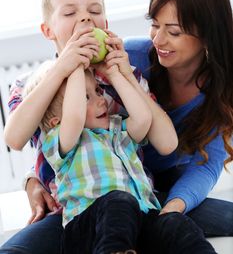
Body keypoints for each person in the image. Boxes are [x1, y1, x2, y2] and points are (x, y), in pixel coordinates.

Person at [0, 0, 229, 253]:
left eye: (94, 11)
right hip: (80, 208)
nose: (85, 18)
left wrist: (122, 75)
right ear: (48, 30)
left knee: (192, 224)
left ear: (105, 23)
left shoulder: (120, 73)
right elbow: (22, 136)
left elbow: (166, 142)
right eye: (70, 12)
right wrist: (32, 178)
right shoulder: (34, 85)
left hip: (144, 194)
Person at [8, 46, 216, 254]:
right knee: (119, 199)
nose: (100, 100)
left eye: (97, 91)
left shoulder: (117, 129)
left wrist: (115, 74)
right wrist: (75, 67)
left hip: (139, 218)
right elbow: (75, 117)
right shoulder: (61, 140)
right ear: (56, 121)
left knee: (175, 223)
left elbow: (143, 119)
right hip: (88, 225)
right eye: (85, 97)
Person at [123, 0, 233, 236]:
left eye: (173, 31)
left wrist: (173, 208)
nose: (158, 40)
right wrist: (34, 178)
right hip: (115, 183)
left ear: (207, 37)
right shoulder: (131, 57)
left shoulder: (223, 89)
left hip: (164, 184)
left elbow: (206, 164)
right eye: (155, 25)